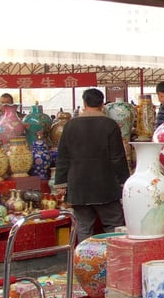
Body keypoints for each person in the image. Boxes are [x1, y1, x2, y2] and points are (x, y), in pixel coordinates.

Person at [53, 88, 130, 242]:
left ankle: (84, 262)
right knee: (113, 224)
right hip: (105, 185)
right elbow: (118, 157)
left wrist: (61, 183)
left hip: (78, 185)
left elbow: (62, 156)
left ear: (84, 103)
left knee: (83, 227)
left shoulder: (70, 125)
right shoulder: (110, 125)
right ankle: (114, 260)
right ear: (102, 104)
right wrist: (124, 181)